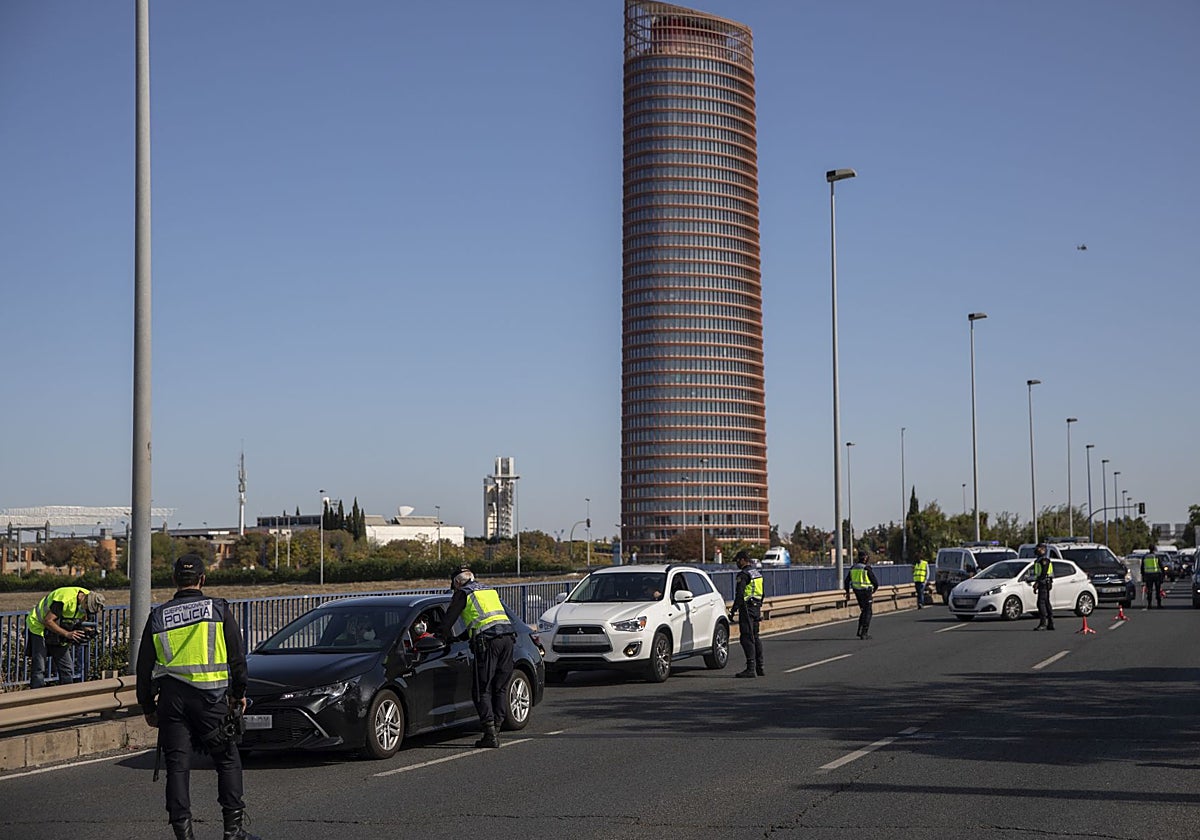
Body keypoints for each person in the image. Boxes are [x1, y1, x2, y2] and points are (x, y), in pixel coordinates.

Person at [136, 554, 260, 840]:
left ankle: (184, 835)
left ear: (174, 580)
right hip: (211, 698)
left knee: (178, 767)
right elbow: (237, 658)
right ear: (203, 579)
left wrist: (147, 706)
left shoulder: (158, 616)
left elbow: (143, 668)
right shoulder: (218, 609)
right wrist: (238, 694)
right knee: (227, 759)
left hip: (171, 701)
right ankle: (233, 830)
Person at [437, 565, 515, 749]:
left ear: (457, 582)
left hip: (489, 643)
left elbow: (449, 619)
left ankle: (490, 734)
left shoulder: (463, 593)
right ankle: (496, 727)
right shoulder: (488, 589)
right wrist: (461, 637)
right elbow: (484, 620)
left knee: (482, 689)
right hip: (508, 640)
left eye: (454, 586)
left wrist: (440, 636)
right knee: (500, 687)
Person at [26, 586, 105, 688]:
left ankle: (66, 698)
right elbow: (48, 621)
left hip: (58, 626)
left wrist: (86, 631)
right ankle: (36, 698)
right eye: (87, 610)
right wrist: (67, 634)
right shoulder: (64, 599)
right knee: (39, 666)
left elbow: (81, 619)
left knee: (67, 668)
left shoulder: (90, 598)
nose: (87, 613)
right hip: (39, 625)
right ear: (84, 601)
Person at [729, 550, 764, 678]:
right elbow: (762, 593)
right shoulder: (757, 574)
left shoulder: (743, 575)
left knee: (746, 638)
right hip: (756, 607)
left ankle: (750, 668)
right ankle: (760, 666)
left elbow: (740, 594)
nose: (737, 563)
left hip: (747, 609)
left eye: (738, 560)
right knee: (755, 637)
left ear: (743, 560)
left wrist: (733, 610)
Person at [844, 551, 879, 640]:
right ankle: (864, 632)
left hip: (857, 592)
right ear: (865, 558)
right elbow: (875, 581)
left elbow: (846, 581)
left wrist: (847, 593)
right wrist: (874, 589)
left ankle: (859, 630)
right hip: (866, 592)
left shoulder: (853, 568)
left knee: (863, 610)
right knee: (868, 612)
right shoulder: (866, 568)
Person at [1031, 543, 1055, 630]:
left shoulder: (1044, 560)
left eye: (1038, 549)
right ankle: (1050, 623)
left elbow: (1043, 573)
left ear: (1043, 550)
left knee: (1041, 603)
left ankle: (1043, 623)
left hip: (1043, 583)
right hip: (1045, 583)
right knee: (1046, 603)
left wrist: (1037, 583)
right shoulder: (1040, 560)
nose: (1036, 550)